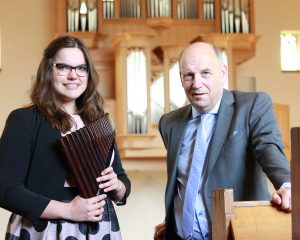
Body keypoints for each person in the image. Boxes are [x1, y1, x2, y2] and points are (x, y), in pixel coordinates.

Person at [153, 42, 291, 240]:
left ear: (223, 73)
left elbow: (268, 148)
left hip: (235, 233)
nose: (196, 83)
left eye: (205, 73)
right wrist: (177, 220)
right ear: (181, 79)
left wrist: (287, 185)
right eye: (188, 75)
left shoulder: (252, 106)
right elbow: (186, 182)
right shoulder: (169, 123)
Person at [0, 35, 131, 239]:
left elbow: (122, 181)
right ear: (48, 71)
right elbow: (6, 190)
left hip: (99, 228)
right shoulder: (24, 120)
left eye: (81, 68)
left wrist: (118, 186)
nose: (73, 75)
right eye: (63, 67)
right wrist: (69, 210)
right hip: (43, 229)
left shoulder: (97, 122)